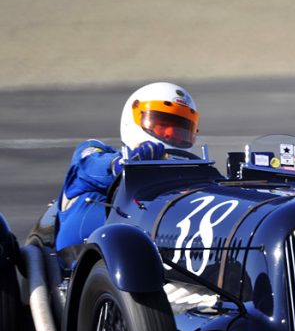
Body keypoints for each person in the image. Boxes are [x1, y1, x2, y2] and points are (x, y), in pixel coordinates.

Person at [56, 82, 200, 251]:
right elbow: (92, 165)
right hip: (80, 258)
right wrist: (121, 164)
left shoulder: (192, 174)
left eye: (179, 131)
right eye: (162, 126)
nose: (170, 135)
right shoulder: (92, 152)